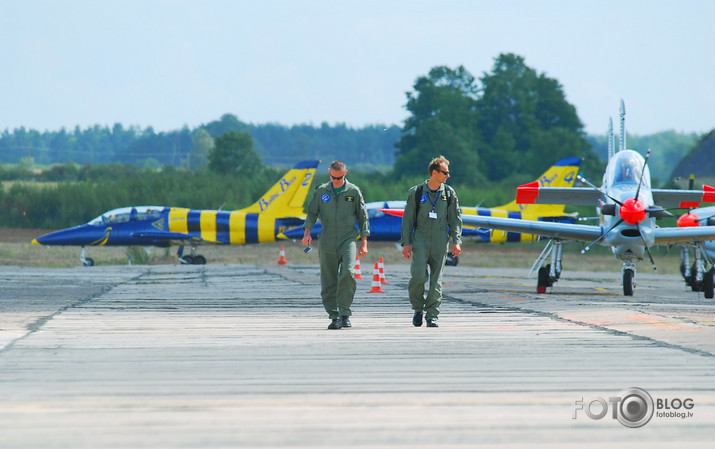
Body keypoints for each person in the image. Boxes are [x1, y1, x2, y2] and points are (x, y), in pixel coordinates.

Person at [303, 161, 370, 329]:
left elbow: (363, 217)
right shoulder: (321, 191)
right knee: (328, 279)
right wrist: (307, 233)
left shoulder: (353, 191)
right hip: (327, 238)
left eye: (340, 177)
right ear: (329, 173)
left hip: (347, 238)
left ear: (345, 173)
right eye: (333, 177)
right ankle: (334, 315)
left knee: (348, 272)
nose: (336, 181)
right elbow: (311, 212)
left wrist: (364, 242)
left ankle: (345, 313)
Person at [400, 155, 462, 328]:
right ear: (435, 173)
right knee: (418, 275)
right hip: (420, 239)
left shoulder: (449, 193)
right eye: (445, 172)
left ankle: (432, 315)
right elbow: (408, 220)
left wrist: (456, 241)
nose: (448, 176)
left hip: (441, 241)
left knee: (437, 280)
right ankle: (418, 308)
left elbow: (455, 220)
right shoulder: (417, 192)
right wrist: (406, 243)